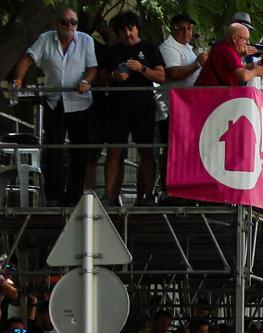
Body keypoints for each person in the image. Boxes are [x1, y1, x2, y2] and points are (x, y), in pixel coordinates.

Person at [11, 7, 97, 206]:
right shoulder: (46, 39)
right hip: (54, 101)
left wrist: (86, 81)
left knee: (79, 151)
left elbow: (92, 69)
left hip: (80, 102)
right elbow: (27, 59)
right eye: (65, 22)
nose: (70, 26)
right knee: (53, 149)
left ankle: (75, 196)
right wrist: (17, 81)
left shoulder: (86, 40)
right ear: (57, 24)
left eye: (73, 22)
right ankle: (54, 196)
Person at [97, 11, 165, 206]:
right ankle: (110, 196)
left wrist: (142, 68)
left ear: (137, 28)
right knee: (114, 151)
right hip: (117, 108)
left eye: (130, 28)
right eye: (123, 30)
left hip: (143, 107)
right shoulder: (111, 51)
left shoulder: (150, 49)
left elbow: (161, 76)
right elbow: (101, 78)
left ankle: (148, 195)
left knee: (145, 150)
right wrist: (114, 77)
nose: (127, 33)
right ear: (118, 32)